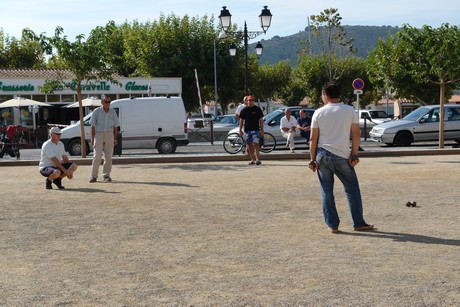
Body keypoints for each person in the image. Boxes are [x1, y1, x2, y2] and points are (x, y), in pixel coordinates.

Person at [308, 82, 374, 234]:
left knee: (326, 190)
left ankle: (333, 225)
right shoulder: (349, 110)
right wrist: (354, 154)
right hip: (342, 155)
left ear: (325, 95)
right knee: (352, 189)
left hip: (322, 154)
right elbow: (356, 134)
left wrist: (312, 159)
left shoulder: (318, 113)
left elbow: (313, 139)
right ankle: (358, 222)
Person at [89, 95, 120, 183]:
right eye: (106, 102)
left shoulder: (113, 112)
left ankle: (106, 175)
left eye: (109, 102)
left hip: (109, 134)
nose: (108, 104)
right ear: (102, 102)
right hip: (98, 134)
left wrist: (115, 138)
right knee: (97, 156)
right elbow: (92, 126)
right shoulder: (96, 111)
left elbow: (116, 126)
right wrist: (92, 138)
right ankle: (93, 176)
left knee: (108, 156)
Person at [239, 95, 264, 165]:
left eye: (252, 100)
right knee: (249, 145)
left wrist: (262, 129)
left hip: (255, 130)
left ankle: (257, 159)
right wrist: (240, 129)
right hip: (247, 130)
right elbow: (241, 120)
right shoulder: (244, 110)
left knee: (256, 144)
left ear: (254, 101)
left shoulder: (258, 109)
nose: (251, 101)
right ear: (247, 101)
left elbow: (261, 120)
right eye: (250, 100)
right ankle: (252, 159)